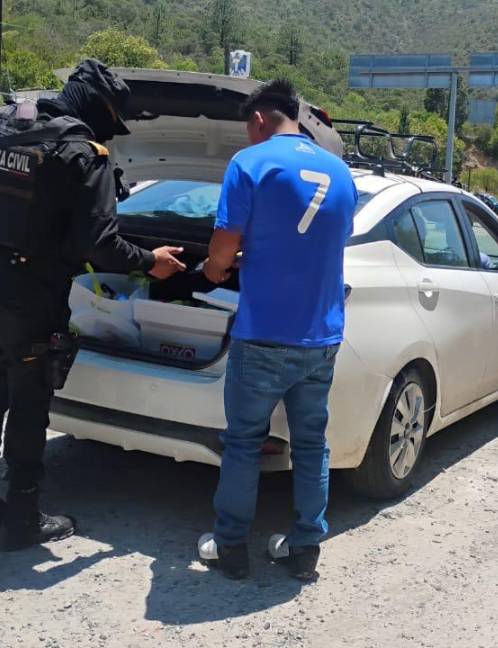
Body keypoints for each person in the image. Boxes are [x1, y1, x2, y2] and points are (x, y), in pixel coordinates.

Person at [0, 59, 185, 551]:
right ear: (100, 108)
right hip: (27, 292)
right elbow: (101, 245)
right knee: (29, 401)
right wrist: (151, 262)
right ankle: (22, 518)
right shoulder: (83, 150)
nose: (111, 134)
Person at [198, 79, 356, 581]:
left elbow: (225, 242)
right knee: (312, 445)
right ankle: (305, 547)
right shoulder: (341, 172)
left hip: (264, 334)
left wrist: (213, 270)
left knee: (243, 442)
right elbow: (322, 241)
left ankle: (231, 548)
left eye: (250, 128)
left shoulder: (252, 162)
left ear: (260, 120)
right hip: (322, 336)